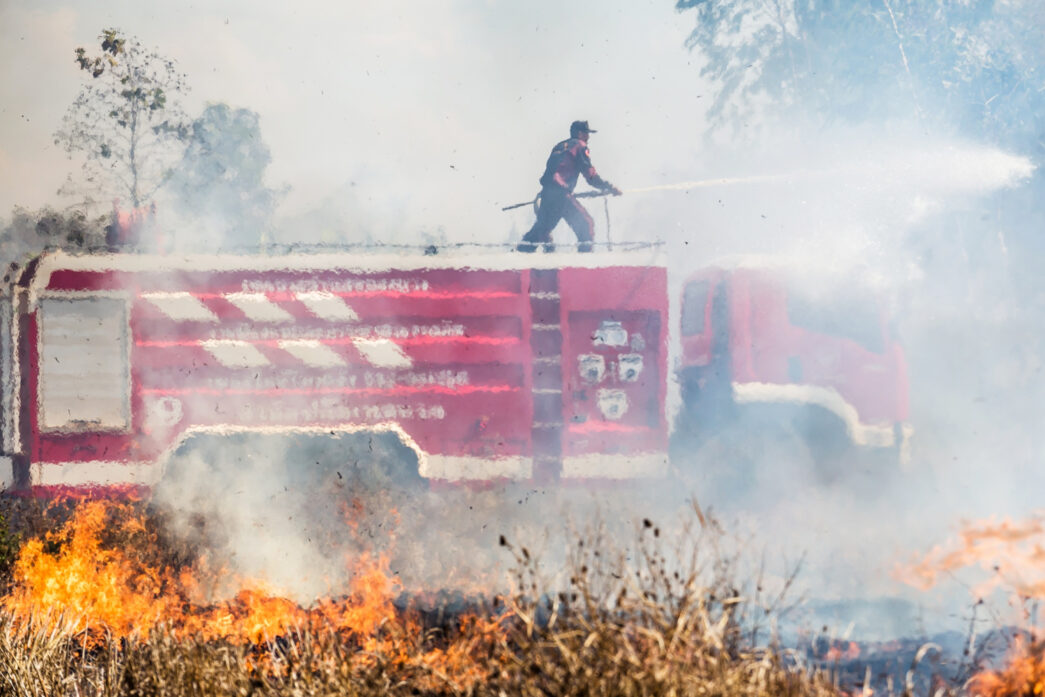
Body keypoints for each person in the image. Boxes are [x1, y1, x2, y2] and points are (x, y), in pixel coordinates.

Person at [517, 120, 622, 253]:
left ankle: (518, 256)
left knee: (541, 230)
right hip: (561, 195)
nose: (588, 137)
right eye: (586, 133)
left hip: (547, 194)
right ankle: (584, 264)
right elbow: (591, 176)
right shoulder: (580, 146)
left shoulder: (560, 146)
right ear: (579, 133)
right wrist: (609, 188)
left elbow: (553, 172)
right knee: (586, 225)